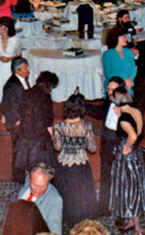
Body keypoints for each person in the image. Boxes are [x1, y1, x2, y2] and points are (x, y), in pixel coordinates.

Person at [53, 92, 98, 228]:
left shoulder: (59, 126)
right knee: (81, 196)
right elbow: (92, 148)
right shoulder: (86, 126)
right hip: (80, 166)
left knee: (66, 195)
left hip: (64, 166)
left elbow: (57, 146)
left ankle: (66, 220)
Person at [109, 87, 145, 235]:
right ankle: (132, 221)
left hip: (127, 157)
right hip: (136, 154)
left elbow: (132, 136)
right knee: (134, 187)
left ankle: (138, 229)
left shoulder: (124, 118)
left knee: (129, 190)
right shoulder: (135, 111)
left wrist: (125, 147)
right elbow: (139, 133)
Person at [84, 77, 125, 216]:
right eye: (108, 89)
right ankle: (104, 206)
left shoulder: (129, 105)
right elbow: (100, 112)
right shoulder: (109, 100)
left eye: (112, 90)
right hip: (107, 141)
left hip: (119, 143)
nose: (109, 92)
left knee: (121, 176)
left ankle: (122, 207)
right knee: (105, 174)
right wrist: (83, 104)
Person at [15, 72, 59, 174]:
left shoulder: (26, 92)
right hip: (39, 136)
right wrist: (52, 137)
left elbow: (20, 111)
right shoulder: (46, 97)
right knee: (41, 165)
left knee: (26, 163)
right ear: (50, 85)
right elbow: (48, 121)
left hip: (25, 133)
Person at [1, 57, 31, 183]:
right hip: (18, 124)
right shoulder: (12, 85)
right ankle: (18, 178)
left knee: (23, 149)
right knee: (18, 151)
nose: (28, 70)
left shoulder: (22, 80)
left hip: (24, 122)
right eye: (25, 68)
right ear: (17, 71)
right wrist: (16, 121)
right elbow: (6, 105)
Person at [17, 164, 63, 235]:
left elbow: (55, 232)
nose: (38, 190)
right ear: (29, 180)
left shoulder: (55, 201)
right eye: (34, 185)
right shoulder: (27, 182)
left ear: (49, 182)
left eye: (43, 186)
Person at [0, 17, 22, 105]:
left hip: (10, 67)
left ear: (7, 28)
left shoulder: (15, 40)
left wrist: (10, 59)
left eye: (0, 27)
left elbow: (19, 55)